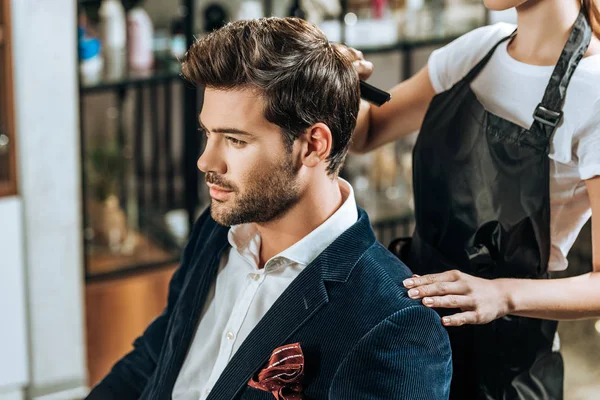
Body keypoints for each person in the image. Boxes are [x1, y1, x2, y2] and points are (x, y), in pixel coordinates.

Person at [86, 17, 452, 400]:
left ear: (313, 146)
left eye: (236, 141)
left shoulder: (393, 324)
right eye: (207, 134)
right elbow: (155, 359)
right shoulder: (215, 231)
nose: (206, 161)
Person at [349, 0, 600, 398]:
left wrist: (500, 294)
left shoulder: (595, 91)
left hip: (504, 364)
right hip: (414, 330)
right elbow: (368, 132)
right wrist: (340, 81)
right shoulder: (477, 52)